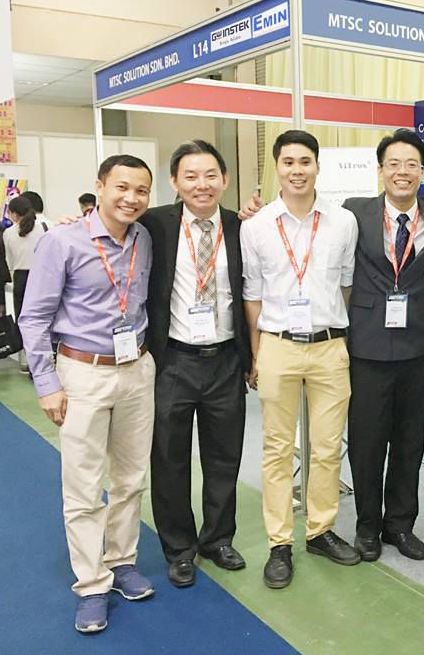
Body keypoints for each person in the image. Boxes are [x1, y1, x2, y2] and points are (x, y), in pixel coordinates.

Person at [18, 154, 156, 635]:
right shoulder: (62, 240)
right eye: (122, 187)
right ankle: (92, 583)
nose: (131, 198)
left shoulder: (143, 237)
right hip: (82, 372)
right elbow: (33, 317)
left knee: (131, 478)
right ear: (99, 186)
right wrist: (47, 383)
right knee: (83, 485)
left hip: (137, 368)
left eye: (141, 190)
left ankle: (122, 561)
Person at [241, 130, 360, 589]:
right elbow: (253, 295)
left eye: (305, 161)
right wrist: (258, 353)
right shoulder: (256, 226)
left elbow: (346, 284)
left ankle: (320, 530)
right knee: (276, 449)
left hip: (329, 347)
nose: (297, 170)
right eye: (288, 162)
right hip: (277, 344)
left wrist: (329, 325)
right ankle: (279, 542)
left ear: (317, 167)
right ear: (277, 167)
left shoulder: (343, 222)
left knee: (327, 447)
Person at [344, 129, 424, 562]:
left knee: (411, 439)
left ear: (423, 171)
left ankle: (400, 524)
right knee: (367, 441)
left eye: (412, 164)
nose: (402, 172)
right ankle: (367, 526)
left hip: (419, 344)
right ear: (380, 170)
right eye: (393, 164)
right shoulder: (354, 212)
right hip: (369, 344)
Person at [144, 140, 252, 588]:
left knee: (224, 457)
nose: (201, 184)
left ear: (225, 179)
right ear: (175, 181)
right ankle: (179, 549)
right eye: (190, 176)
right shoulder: (154, 224)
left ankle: (218, 539)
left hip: (226, 360)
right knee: (169, 458)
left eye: (210, 175)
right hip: (173, 360)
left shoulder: (242, 227)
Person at [2, 196, 46, 374]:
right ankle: (45, 362)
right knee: (43, 319)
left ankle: (29, 362)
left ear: (13, 214)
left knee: (24, 320)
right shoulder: (43, 228)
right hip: (41, 277)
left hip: (20, 277)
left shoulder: (8, 233)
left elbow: (9, 261)